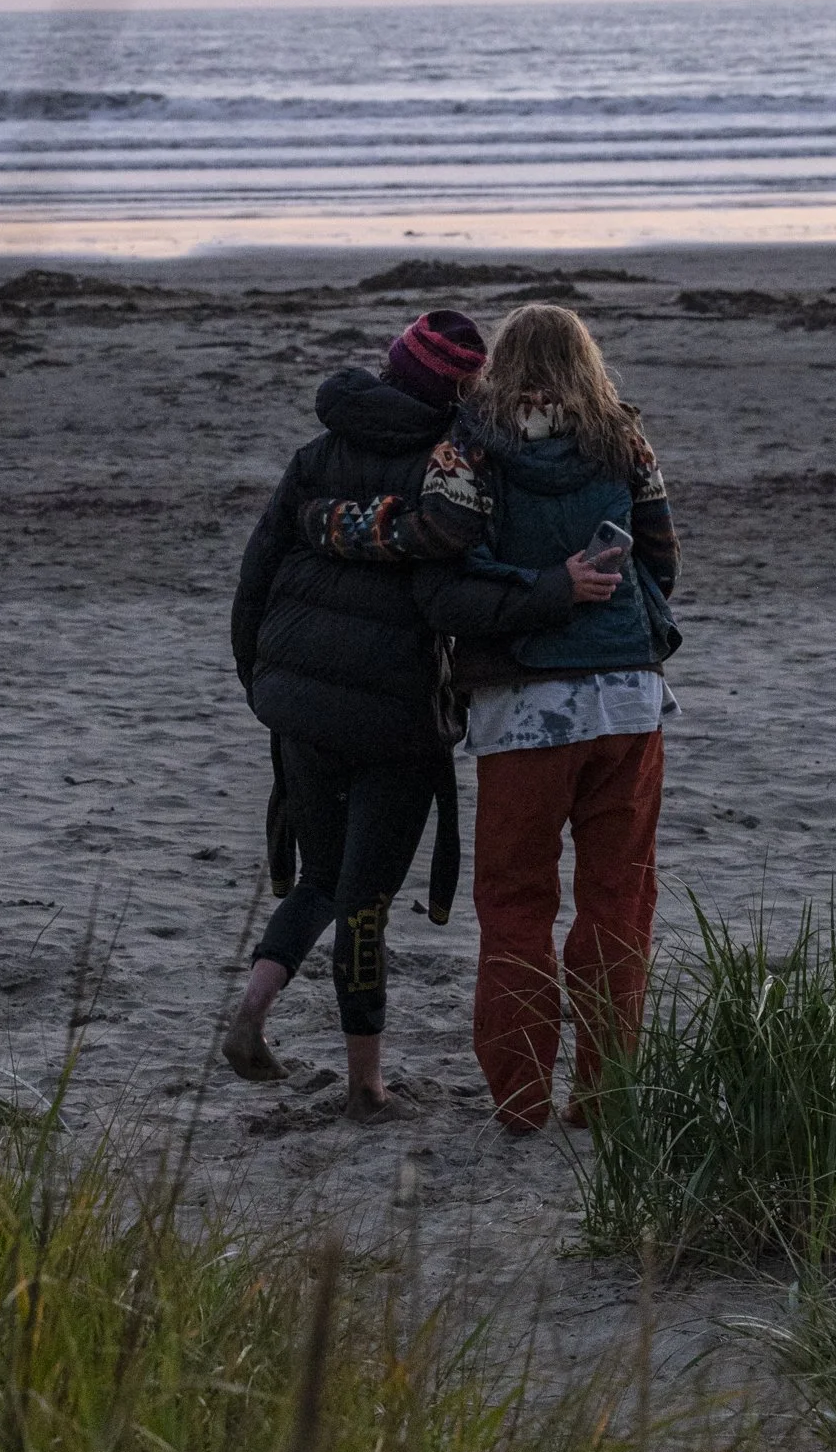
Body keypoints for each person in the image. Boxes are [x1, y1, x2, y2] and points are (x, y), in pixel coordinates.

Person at [302, 301, 679, 1133]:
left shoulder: (471, 443)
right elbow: (662, 558)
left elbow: (435, 537)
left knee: (515, 906)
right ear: (588, 360)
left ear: (500, 364)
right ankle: (605, 1096)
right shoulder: (624, 437)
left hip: (522, 711)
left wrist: (337, 523)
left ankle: (519, 1103)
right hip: (626, 699)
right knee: (619, 902)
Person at [228, 305, 586, 1119]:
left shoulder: (317, 455)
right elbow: (454, 592)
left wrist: (261, 685)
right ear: (461, 389)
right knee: (365, 902)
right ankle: (365, 1084)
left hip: (297, 703)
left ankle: (252, 1005)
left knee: (318, 876)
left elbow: (255, 574)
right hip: (395, 716)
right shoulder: (452, 467)